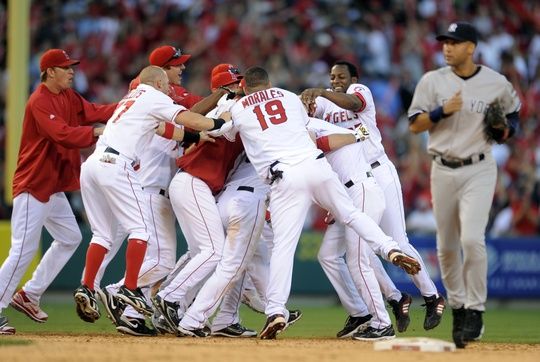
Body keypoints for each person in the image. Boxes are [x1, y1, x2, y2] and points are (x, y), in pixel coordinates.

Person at [216, 66, 421, 340]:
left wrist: (224, 111)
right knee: (350, 215)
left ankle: (276, 310)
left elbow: (224, 132)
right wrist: (355, 134)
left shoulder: (241, 107)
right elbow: (311, 129)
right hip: (318, 167)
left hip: (286, 177)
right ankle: (390, 248)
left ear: (244, 87)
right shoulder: (289, 98)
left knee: (284, 248)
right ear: (270, 83)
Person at [73, 65, 228, 323]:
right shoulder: (155, 96)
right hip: (117, 165)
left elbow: (166, 130)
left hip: (92, 165)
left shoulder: (131, 99)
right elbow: (189, 118)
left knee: (102, 234)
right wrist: (218, 123)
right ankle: (129, 288)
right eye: (166, 84)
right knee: (141, 231)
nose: (169, 89)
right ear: (157, 83)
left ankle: (86, 286)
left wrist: (196, 137)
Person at [301, 60, 444, 333]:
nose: (335, 80)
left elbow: (353, 105)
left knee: (397, 241)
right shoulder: (322, 106)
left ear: (353, 77)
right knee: (342, 254)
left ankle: (432, 296)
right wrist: (305, 99)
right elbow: (303, 116)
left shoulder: (359, 90)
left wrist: (319, 91)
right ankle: (391, 299)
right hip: (347, 182)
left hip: (377, 172)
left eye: (341, 75)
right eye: (332, 76)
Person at [408, 21, 521, 348]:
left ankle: (475, 310)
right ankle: (458, 306)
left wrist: (505, 131)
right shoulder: (432, 81)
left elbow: (513, 117)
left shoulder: (495, 82)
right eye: (444, 42)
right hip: (442, 168)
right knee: (446, 247)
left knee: (472, 240)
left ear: (470, 47)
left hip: (478, 168)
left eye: (454, 42)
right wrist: (443, 111)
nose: (447, 47)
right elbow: (415, 124)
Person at [0, 49, 116, 335]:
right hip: (32, 185)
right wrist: (96, 133)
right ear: (50, 71)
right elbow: (62, 133)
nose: (72, 71)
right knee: (22, 250)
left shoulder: (68, 96)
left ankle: (29, 294)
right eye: (66, 68)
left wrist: (128, 106)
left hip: (52, 188)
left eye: (71, 67)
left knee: (70, 236)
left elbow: (94, 112)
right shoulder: (39, 100)